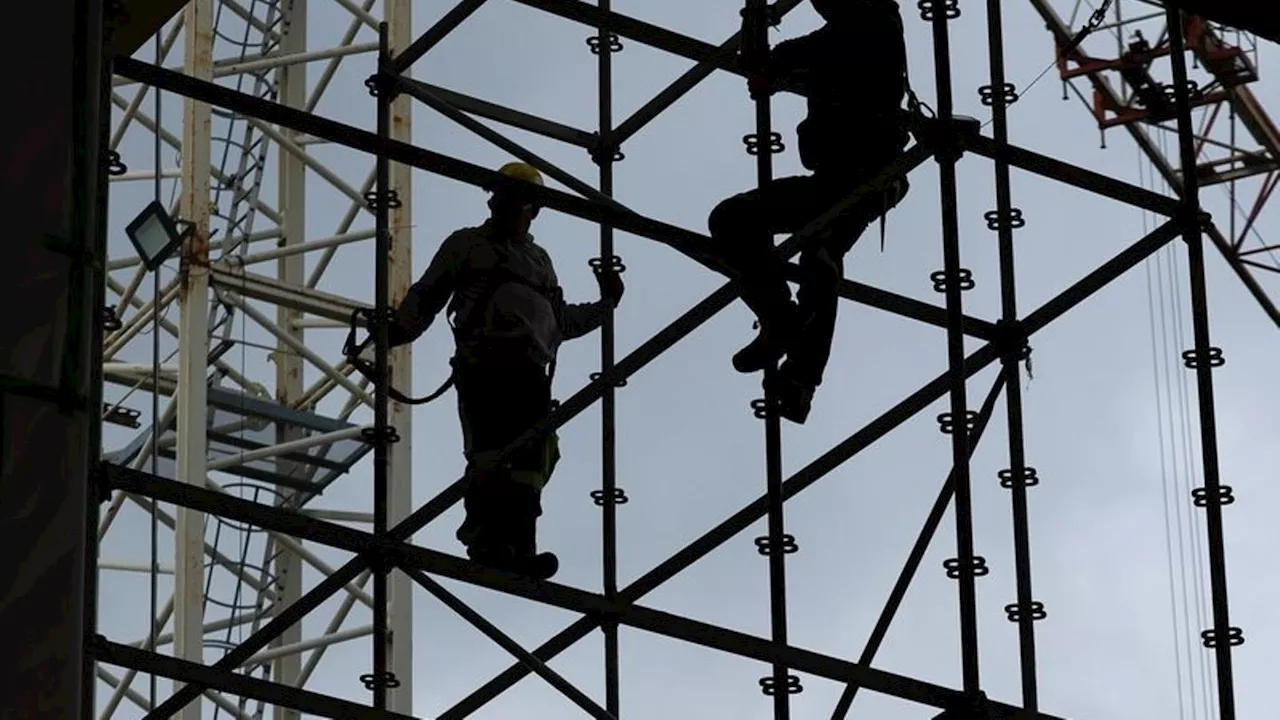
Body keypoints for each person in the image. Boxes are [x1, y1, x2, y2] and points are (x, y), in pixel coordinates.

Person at [359, 161, 624, 580]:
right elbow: (427, 295)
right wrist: (396, 331)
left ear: (534, 209)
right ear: (493, 198)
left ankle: (521, 547)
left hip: (531, 374)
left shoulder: (540, 260)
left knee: (532, 462)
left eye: (519, 199)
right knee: (491, 456)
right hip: (485, 366)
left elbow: (560, 322)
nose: (509, 205)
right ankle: (487, 543)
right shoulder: (467, 245)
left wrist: (606, 306)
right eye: (505, 196)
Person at [707, 0, 913, 424]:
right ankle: (780, 319)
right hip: (830, 181)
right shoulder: (833, 38)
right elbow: (764, 65)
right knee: (733, 218)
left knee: (820, 253)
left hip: (870, 177)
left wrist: (771, 62)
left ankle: (802, 377)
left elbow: (794, 58)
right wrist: (755, 24)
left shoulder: (875, 24)